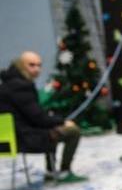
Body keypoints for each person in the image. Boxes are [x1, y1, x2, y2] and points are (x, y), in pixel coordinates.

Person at [0, 51, 85, 182]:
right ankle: (64, 172)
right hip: (25, 138)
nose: (37, 69)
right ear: (21, 66)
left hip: (10, 138)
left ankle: (51, 171)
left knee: (51, 127)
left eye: (39, 65)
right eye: (32, 65)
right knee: (72, 131)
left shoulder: (7, 84)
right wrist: (63, 121)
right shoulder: (21, 86)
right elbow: (39, 119)